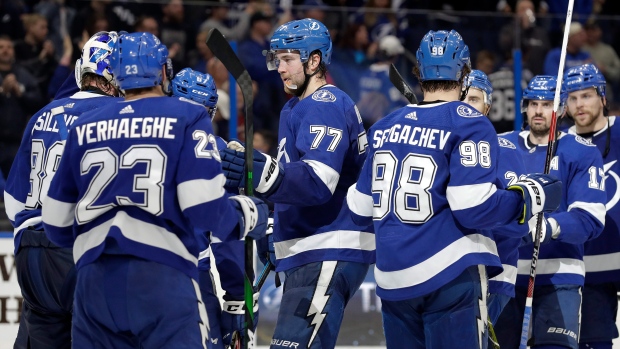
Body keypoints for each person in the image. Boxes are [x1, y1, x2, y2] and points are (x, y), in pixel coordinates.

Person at [40, 32, 268, 348]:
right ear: (163, 73)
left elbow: (55, 224)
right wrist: (249, 214)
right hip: (161, 275)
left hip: (94, 284)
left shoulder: (84, 125)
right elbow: (206, 210)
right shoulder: (187, 118)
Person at [344, 30, 561, 348]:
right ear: (464, 72)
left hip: (392, 279)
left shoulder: (384, 126)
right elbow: (474, 206)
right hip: (449, 276)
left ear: (417, 72)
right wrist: (529, 196)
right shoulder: (468, 121)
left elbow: (360, 207)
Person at [220, 18, 373, 348]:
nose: (279, 68)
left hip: (329, 243)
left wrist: (264, 175)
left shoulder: (327, 104)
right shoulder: (295, 107)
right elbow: (291, 181)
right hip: (310, 246)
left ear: (314, 61)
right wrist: (277, 226)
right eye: (276, 59)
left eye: (288, 58)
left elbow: (319, 181)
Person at [3, 30, 123, 349]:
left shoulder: (43, 113)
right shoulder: (118, 118)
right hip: (77, 246)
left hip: (31, 252)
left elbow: (14, 202)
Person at [495, 75, 607, 349]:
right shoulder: (501, 145)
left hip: (560, 276)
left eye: (546, 104)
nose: (538, 111)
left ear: (561, 109)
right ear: (524, 106)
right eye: (533, 103)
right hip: (504, 276)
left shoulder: (581, 152)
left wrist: (548, 227)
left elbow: (590, 217)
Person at [169, 67, 258, 349]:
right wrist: (237, 307)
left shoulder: (133, 132)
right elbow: (226, 238)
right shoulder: (216, 151)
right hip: (191, 278)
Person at [463, 70, 529, 339]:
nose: (467, 105)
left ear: (487, 107)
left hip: (494, 274)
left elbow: (520, 225)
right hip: (449, 274)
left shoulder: (507, 150)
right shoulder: (443, 145)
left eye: (475, 99)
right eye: (463, 97)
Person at [563, 64, 620, 349]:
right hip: (587, 268)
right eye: (572, 98)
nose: (578, 105)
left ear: (602, 97)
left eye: (586, 96)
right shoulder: (562, 144)